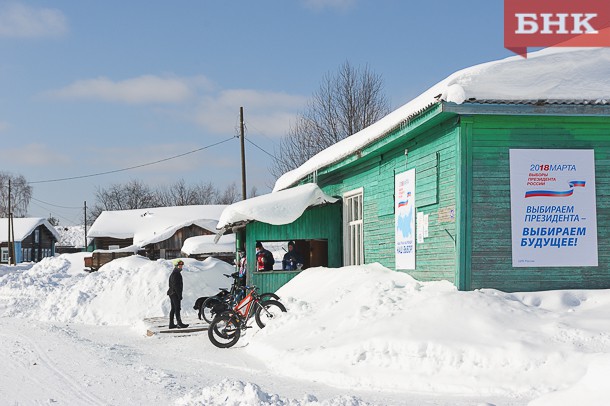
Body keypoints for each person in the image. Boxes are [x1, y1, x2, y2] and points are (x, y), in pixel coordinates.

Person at [167, 259, 189, 329]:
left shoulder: (174, 273)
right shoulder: (176, 274)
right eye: (179, 266)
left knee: (173, 308)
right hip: (175, 293)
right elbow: (176, 286)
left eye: (181, 265)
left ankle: (171, 324)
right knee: (177, 308)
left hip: (172, 293)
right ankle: (179, 323)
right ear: (176, 266)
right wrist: (179, 295)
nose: (181, 267)